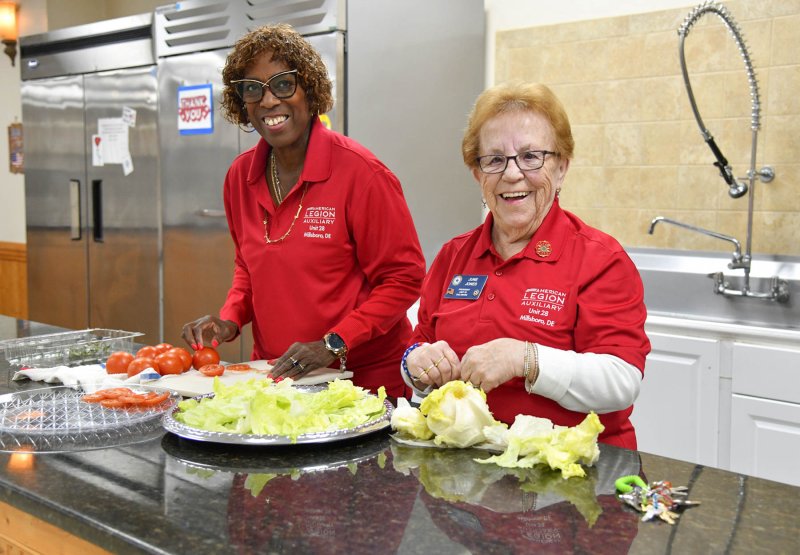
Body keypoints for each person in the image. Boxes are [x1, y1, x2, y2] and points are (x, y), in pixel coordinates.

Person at [401, 82, 650, 449]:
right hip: (468, 478)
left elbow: (621, 381)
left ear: (562, 168)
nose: (512, 174)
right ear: (478, 175)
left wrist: (526, 358)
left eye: (531, 156)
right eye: (495, 159)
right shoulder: (453, 255)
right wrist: (416, 364)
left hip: (571, 473)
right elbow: (417, 344)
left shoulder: (600, 259)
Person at [182, 24, 425, 398]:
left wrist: (333, 343)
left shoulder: (363, 175)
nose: (268, 101)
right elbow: (249, 266)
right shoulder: (239, 177)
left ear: (310, 91)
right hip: (278, 377)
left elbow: (404, 279)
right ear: (242, 104)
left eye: (283, 84)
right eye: (252, 89)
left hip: (365, 383)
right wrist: (230, 318)